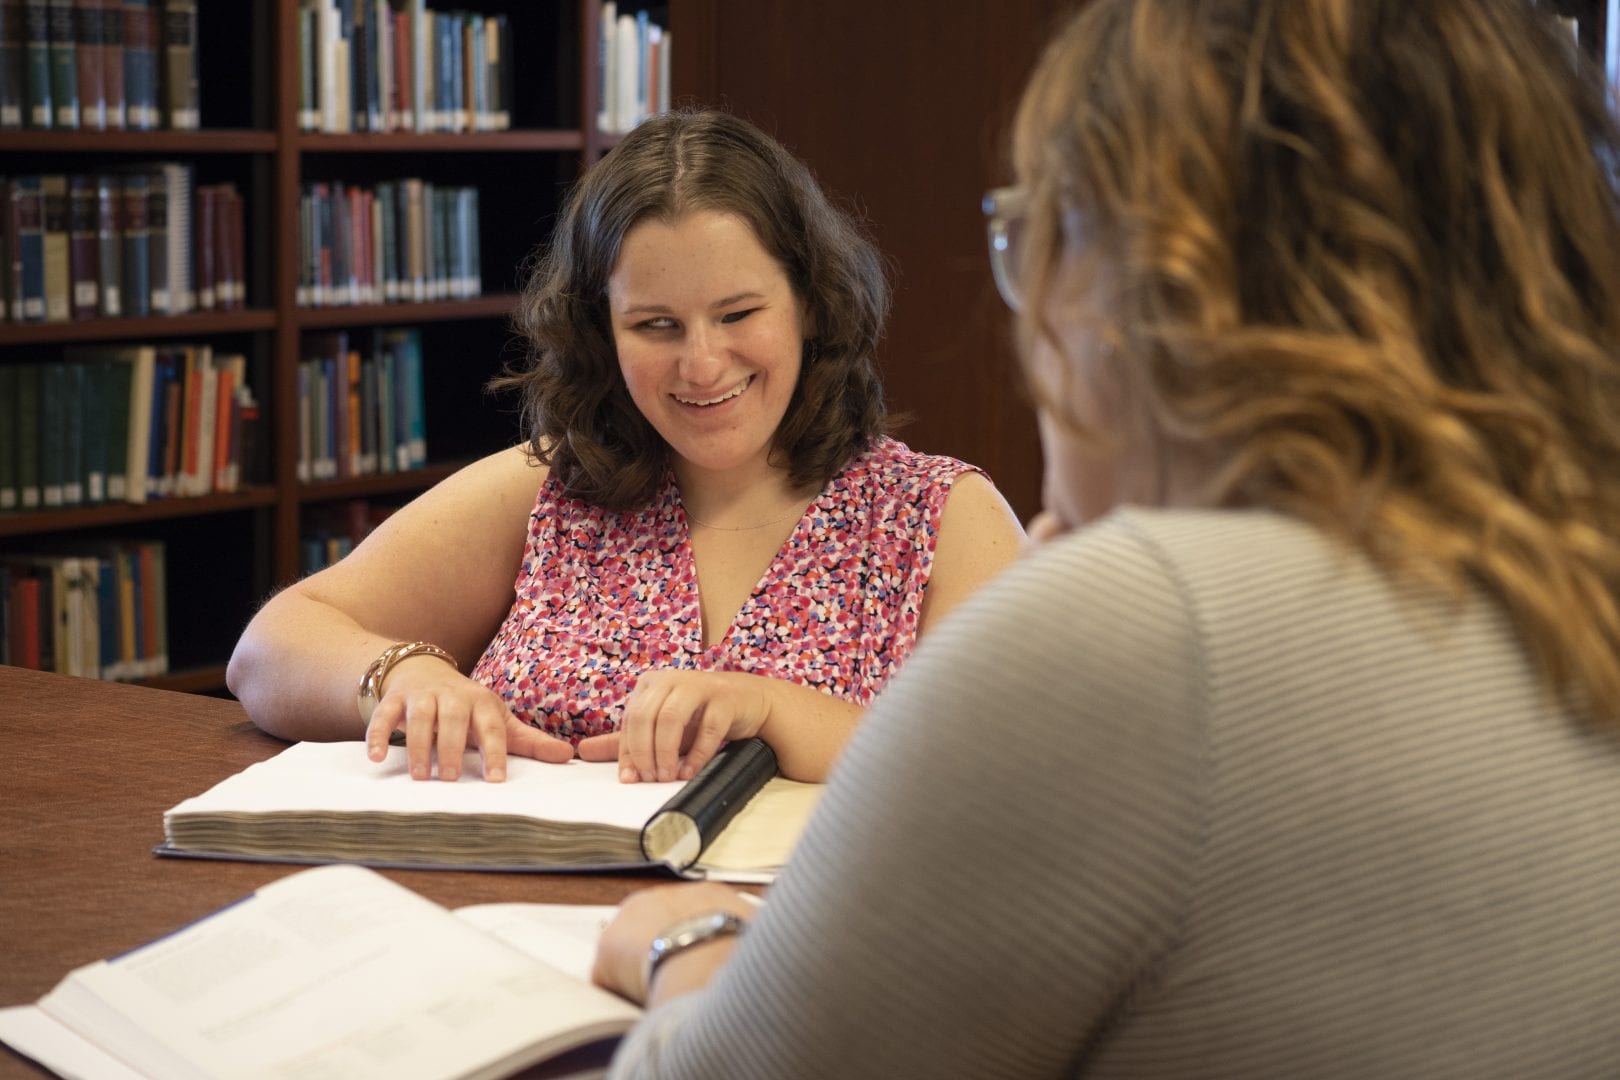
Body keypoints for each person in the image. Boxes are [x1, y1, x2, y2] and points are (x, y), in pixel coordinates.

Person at [588, 1, 1620, 1075]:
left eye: (1037, 237)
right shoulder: (1570, 572)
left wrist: (688, 946)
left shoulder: (1145, 633)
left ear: (1160, 286)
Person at [226, 110, 1024, 785]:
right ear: (601, 333)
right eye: (656, 326)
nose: (703, 364)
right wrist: (401, 674)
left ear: (811, 305)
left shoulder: (940, 516)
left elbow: (1015, 777)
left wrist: (779, 712)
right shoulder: (549, 488)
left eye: (740, 313)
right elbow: (268, 651)